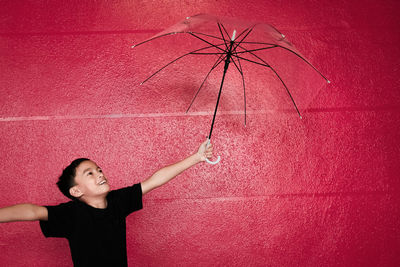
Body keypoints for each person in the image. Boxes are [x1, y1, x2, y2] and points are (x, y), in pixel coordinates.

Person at [0, 140, 214, 266]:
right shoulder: (71, 214)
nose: (100, 174)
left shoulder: (118, 202)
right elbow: (33, 211)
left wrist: (196, 158)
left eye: (99, 170)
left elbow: (154, 180)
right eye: (90, 173)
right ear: (76, 190)